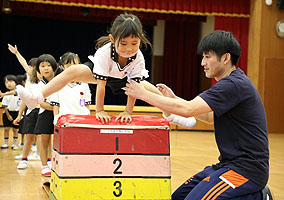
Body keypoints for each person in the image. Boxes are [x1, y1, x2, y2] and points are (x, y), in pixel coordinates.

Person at [125, 31, 271, 199]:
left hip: (246, 171)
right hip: (226, 165)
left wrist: (142, 94)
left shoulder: (233, 85)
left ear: (225, 58)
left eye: (207, 57)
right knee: (178, 197)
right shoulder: (230, 83)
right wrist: (174, 99)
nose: (203, 63)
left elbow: (188, 109)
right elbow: (209, 117)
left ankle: (258, 196)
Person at [16, 13, 196, 128]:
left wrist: (128, 112)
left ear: (140, 40)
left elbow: (134, 88)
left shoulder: (138, 56)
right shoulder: (104, 52)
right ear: (112, 39)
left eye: (134, 44)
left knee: (153, 90)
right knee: (71, 72)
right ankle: (37, 97)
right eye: (123, 44)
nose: (128, 49)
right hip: (101, 73)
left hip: (124, 78)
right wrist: (100, 110)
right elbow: (101, 85)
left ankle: (171, 115)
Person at [20, 53, 57, 177]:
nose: (46, 68)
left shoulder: (60, 81)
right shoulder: (39, 86)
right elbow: (42, 104)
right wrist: (56, 107)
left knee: (57, 141)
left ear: (54, 67)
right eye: (42, 66)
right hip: (45, 114)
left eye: (48, 65)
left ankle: (54, 162)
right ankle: (44, 166)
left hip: (60, 114)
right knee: (44, 140)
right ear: (38, 69)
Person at [52, 52, 91, 125]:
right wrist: (56, 119)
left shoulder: (84, 84)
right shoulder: (58, 84)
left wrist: (87, 118)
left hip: (81, 120)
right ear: (63, 67)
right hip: (65, 120)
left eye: (75, 65)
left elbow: (87, 104)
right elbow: (56, 105)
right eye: (69, 66)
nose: (72, 68)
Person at [0, 74, 20, 149]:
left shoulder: (19, 93)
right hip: (7, 113)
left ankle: (14, 143)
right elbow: (4, 106)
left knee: (15, 129)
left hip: (16, 113)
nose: (8, 84)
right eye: (6, 82)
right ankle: (6, 143)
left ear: (16, 83)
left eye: (11, 81)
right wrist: (8, 115)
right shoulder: (5, 95)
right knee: (6, 129)